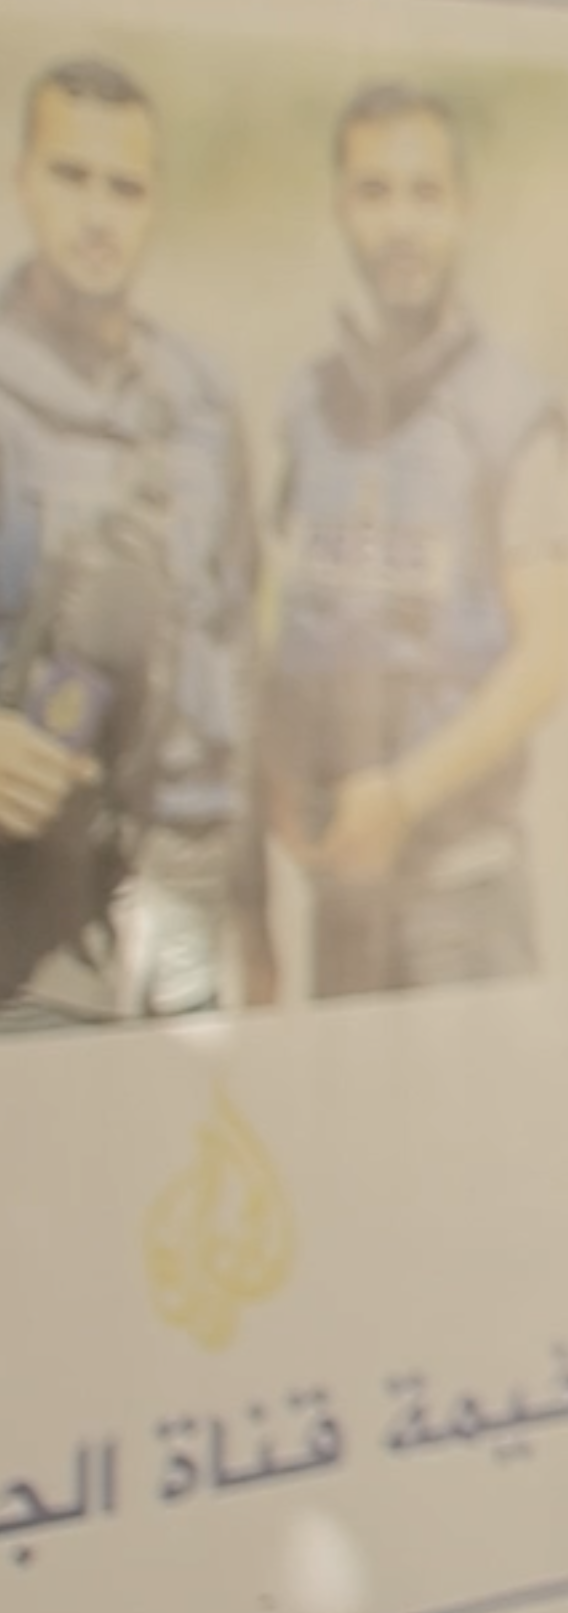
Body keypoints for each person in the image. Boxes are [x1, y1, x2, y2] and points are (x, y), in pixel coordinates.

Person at [253, 81, 568, 999]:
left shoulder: (509, 410)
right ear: (340, 207)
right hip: (342, 894)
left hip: (459, 893)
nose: (401, 224)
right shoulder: (307, 406)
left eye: (425, 194)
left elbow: (548, 657)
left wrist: (405, 796)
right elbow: (285, 633)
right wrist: (282, 784)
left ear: (461, 210)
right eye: (375, 193)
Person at [0, 56, 254, 1026]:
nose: (97, 216)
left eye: (125, 187)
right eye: (71, 177)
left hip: (181, 887)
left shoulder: (195, 401)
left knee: (190, 1157)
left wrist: (258, 922)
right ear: (23, 179)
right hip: (27, 907)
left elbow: (236, 647)